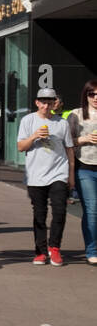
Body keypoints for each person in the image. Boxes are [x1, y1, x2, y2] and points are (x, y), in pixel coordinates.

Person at [18, 87, 75, 267]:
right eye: (43, 102)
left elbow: (69, 149)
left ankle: (55, 248)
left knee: (59, 211)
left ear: (54, 104)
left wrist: (71, 175)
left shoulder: (61, 123)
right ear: (37, 103)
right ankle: (41, 252)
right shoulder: (28, 120)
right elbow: (21, 147)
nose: (46, 105)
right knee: (39, 214)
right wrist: (34, 136)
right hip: (35, 175)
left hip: (58, 172)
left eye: (49, 102)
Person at [69, 79, 97, 265]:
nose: (96, 98)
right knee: (92, 209)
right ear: (85, 95)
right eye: (92, 94)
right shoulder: (76, 115)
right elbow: (67, 141)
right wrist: (85, 138)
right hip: (85, 168)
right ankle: (92, 250)